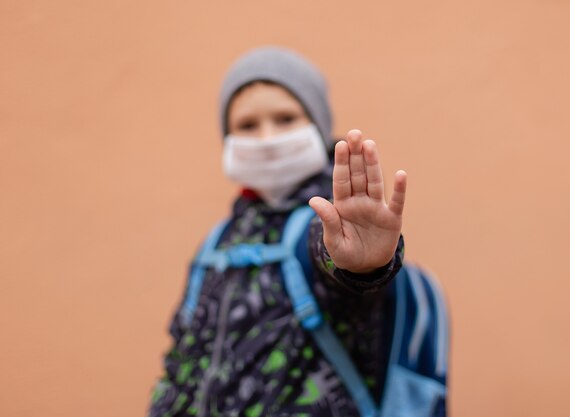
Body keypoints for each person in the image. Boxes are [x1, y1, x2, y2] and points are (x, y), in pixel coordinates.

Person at [148, 46, 410, 417]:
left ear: (317, 124)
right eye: (247, 126)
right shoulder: (218, 240)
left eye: (286, 118)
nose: (267, 138)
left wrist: (362, 265)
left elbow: (335, 264)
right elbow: (182, 359)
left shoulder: (328, 225)